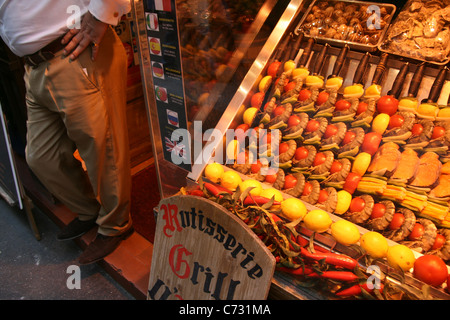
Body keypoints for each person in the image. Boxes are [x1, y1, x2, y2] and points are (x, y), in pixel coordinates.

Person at [0, 0, 134, 264]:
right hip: (35, 67)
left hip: (75, 52)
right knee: (41, 157)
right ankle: (91, 211)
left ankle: (116, 224)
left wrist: (101, 16)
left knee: (102, 148)